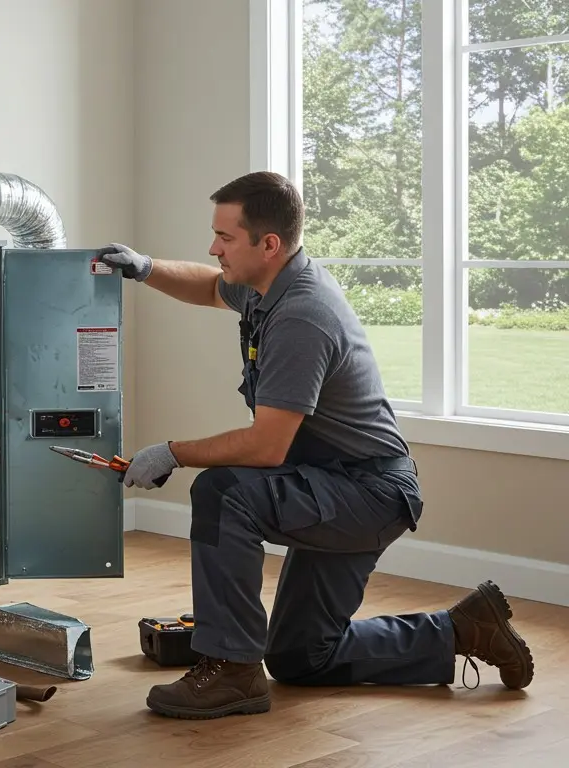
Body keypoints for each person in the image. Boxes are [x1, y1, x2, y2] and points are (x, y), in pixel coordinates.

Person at [97, 171, 534, 721]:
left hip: (368, 492)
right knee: (302, 657)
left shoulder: (302, 314)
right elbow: (208, 286)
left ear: (268, 244)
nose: (214, 248)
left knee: (223, 493)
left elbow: (265, 447)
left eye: (225, 237)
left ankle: (231, 671)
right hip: (333, 482)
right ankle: (463, 629)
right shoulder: (269, 284)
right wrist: (145, 268)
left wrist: (171, 452)